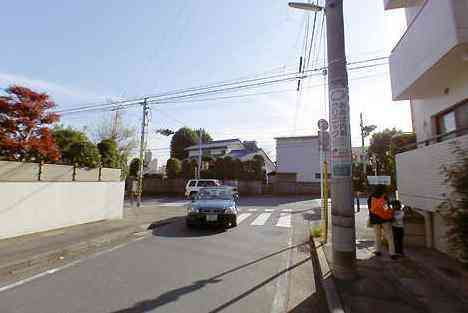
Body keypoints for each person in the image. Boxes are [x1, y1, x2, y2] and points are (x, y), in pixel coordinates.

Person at [368, 185, 397, 260]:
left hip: (375, 219)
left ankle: (378, 250)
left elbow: (370, 209)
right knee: (389, 236)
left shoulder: (371, 197)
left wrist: (371, 219)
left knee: (377, 235)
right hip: (385, 219)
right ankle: (392, 253)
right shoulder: (384, 197)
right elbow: (386, 209)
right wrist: (391, 214)